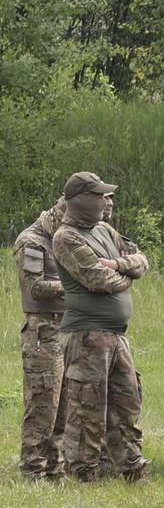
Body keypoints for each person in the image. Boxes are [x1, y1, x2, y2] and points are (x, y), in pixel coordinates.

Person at [51, 171, 150, 483]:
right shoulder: (66, 237)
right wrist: (126, 278)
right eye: (99, 195)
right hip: (86, 337)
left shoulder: (105, 230)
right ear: (80, 199)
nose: (106, 201)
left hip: (117, 336)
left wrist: (120, 265)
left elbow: (142, 260)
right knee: (86, 410)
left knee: (127, 403)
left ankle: (131, 469)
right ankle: (83, 475)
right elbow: (97, 279)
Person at [14, 193, 68, 481]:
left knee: (64, 405)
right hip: (43, 331)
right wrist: (73, 285)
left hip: (66, 329)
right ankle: (33, 470)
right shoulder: (33, 241)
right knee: (42, 404)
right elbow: (35, 287)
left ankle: (55, 468)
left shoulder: (63, 240)